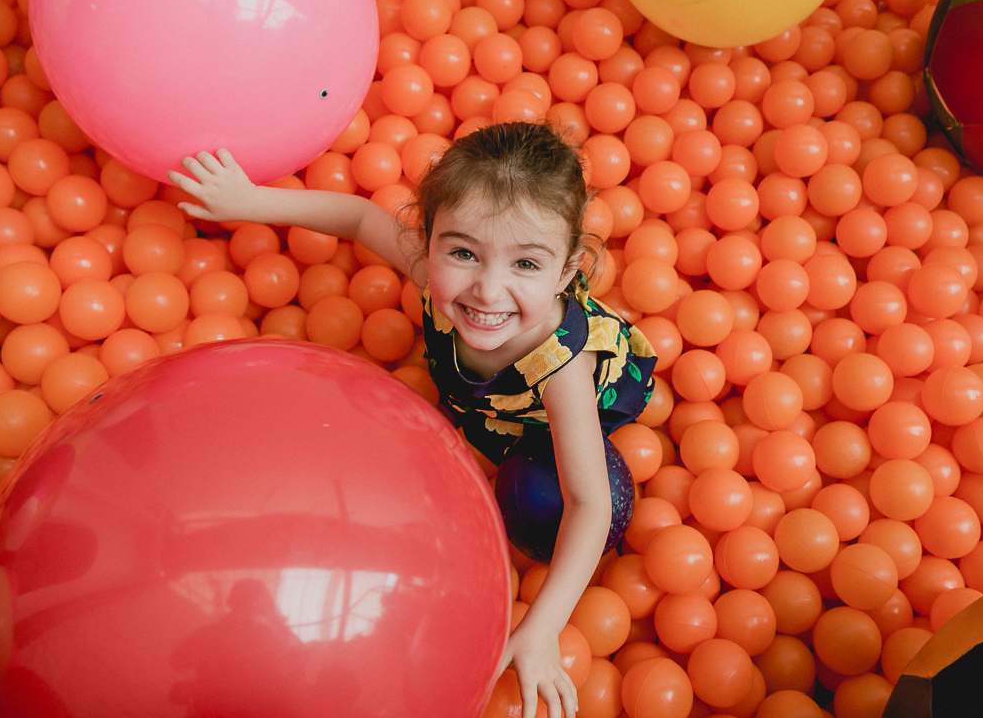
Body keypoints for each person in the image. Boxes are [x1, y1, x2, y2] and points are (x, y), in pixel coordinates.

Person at [168, 121, 656, 718]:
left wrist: (541, 627)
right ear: (428, 241)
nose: (488, 290)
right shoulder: (431, 270)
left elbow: (590, 502)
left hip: (561, 409)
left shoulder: (563, 372)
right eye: (463, 253)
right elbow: (357, 217)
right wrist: (249, 201)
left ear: (567, 271)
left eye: (526, 264)